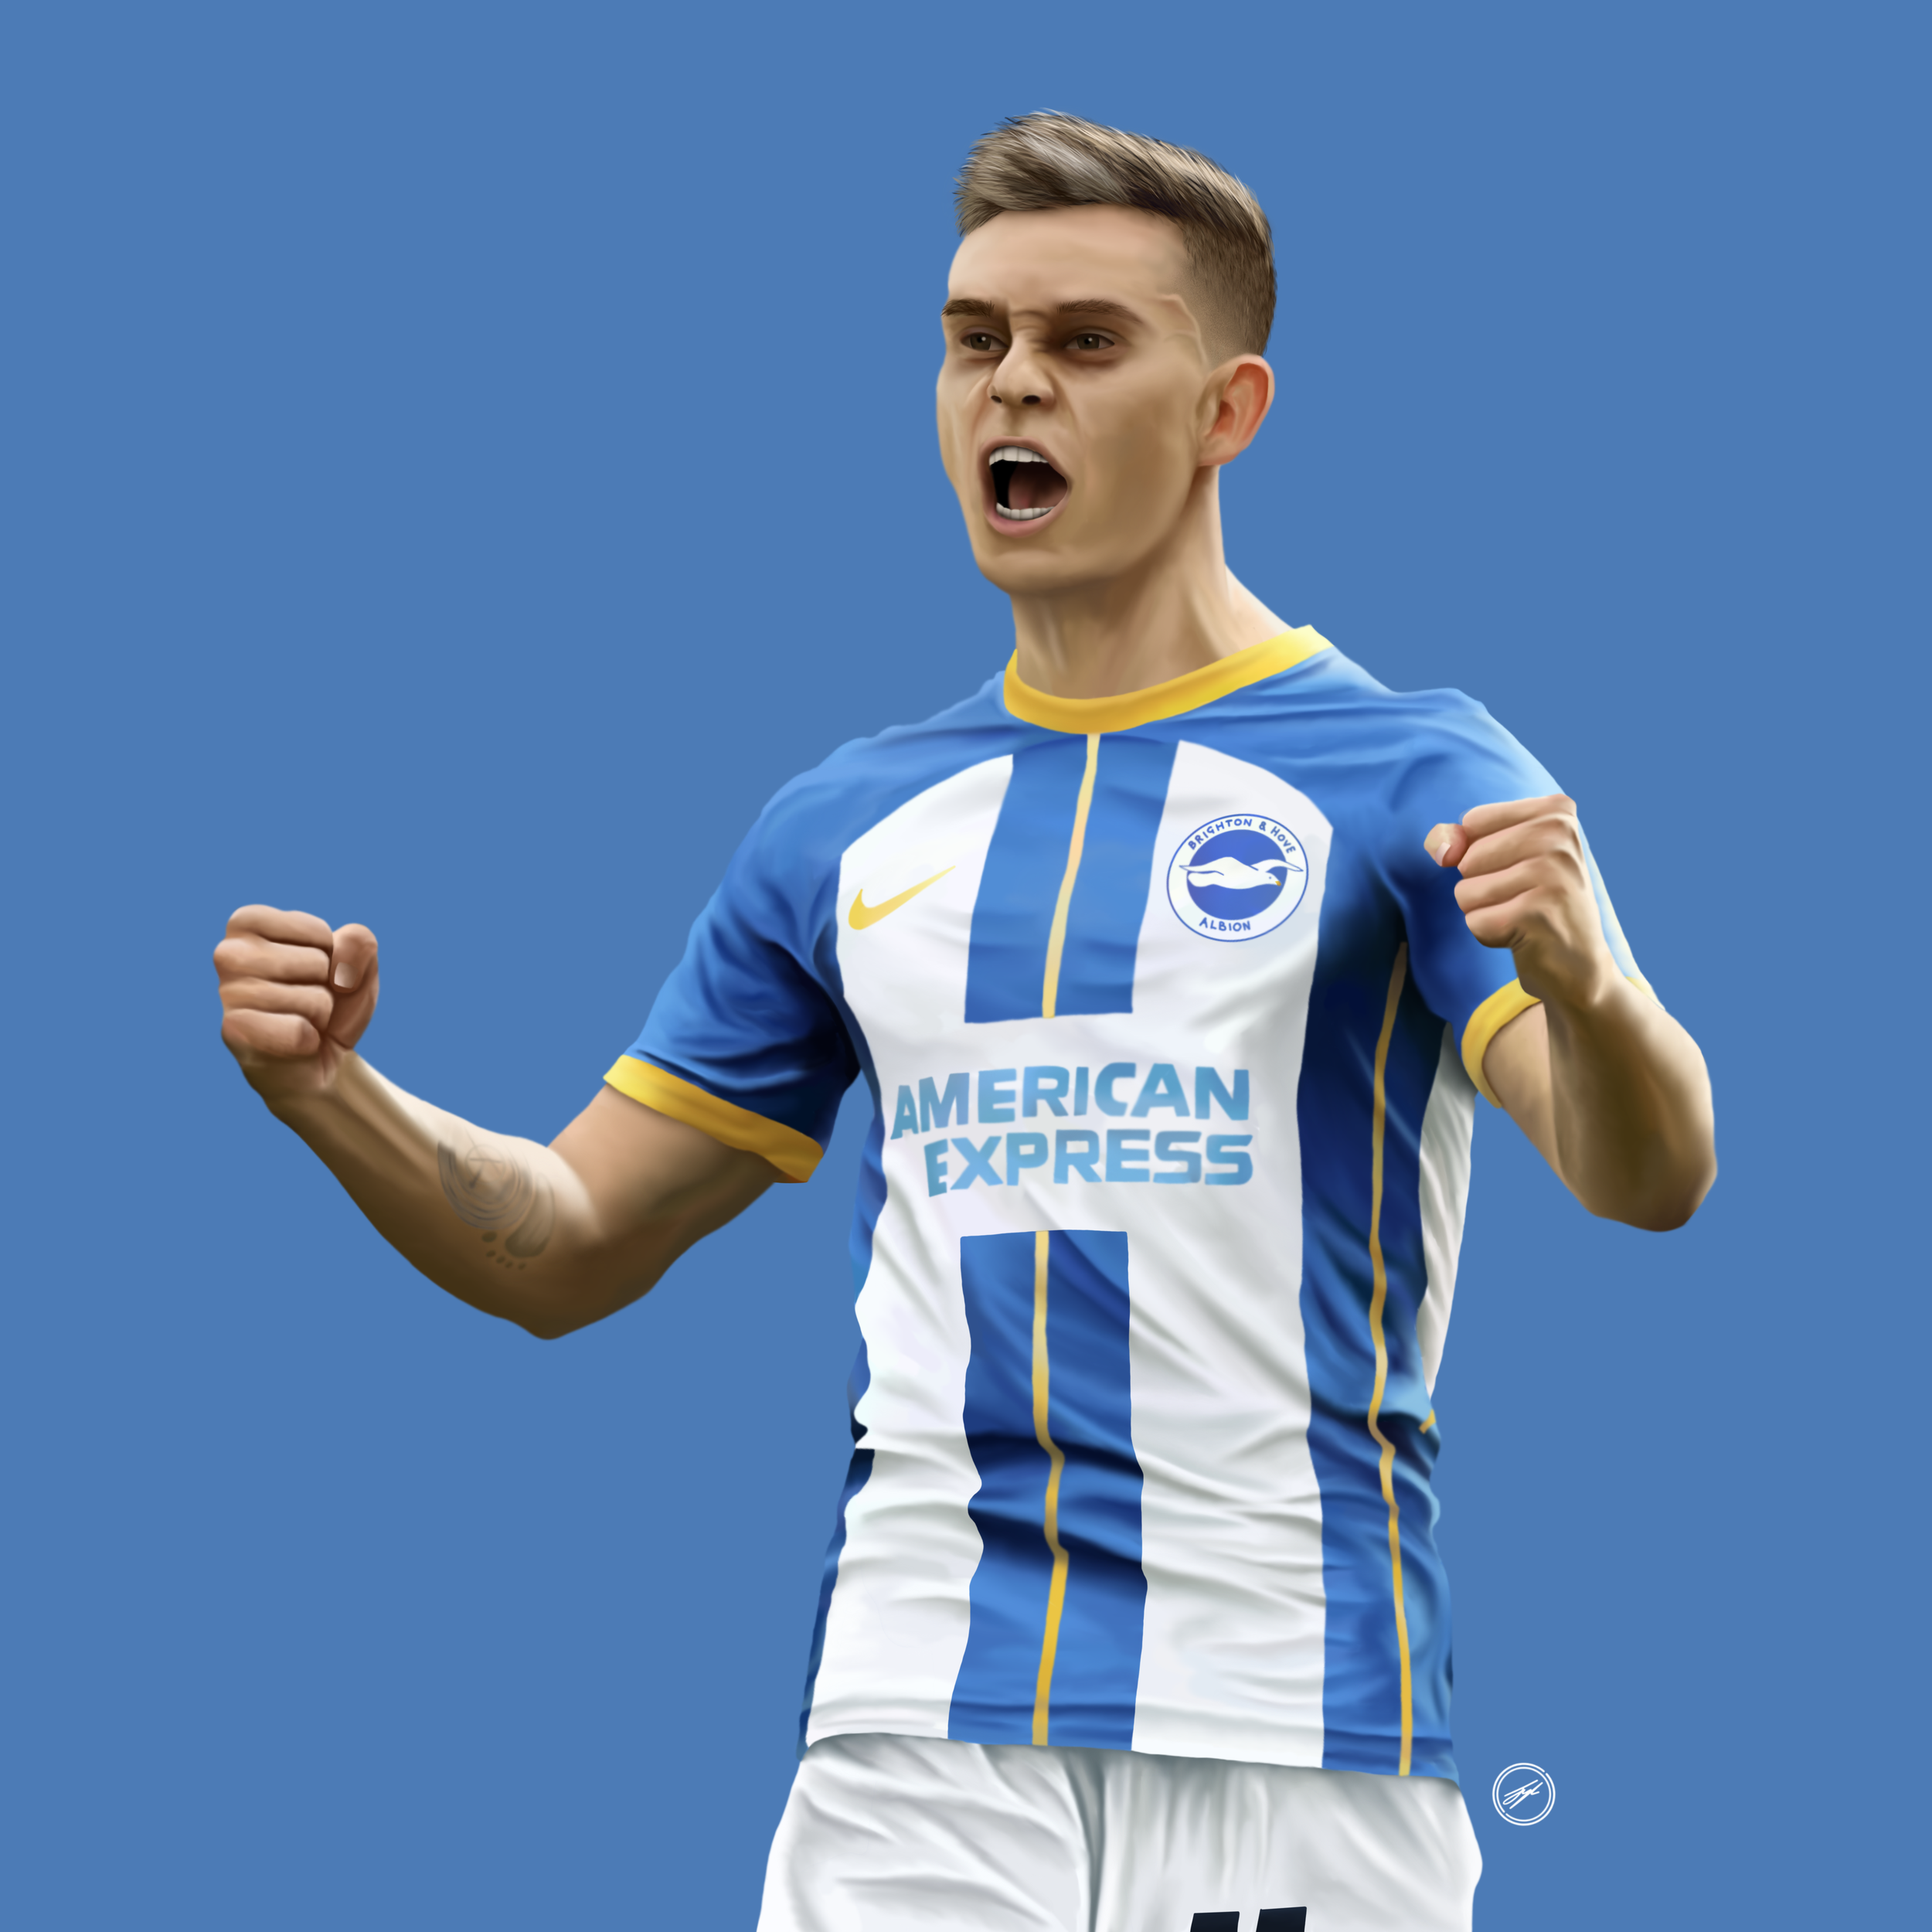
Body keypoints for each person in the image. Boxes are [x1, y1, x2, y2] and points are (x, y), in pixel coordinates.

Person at [213, 112, 1715, 1931]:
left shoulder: (1415, 772)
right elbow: (568, 1239)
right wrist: (335, 1094)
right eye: (972, 338)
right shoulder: (843, 825)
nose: (1013, 386)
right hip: (912, 1730)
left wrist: (1590, 982)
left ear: (1227, 407)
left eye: (1085, 342)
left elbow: (1642, 1173)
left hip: (1292, 1725)